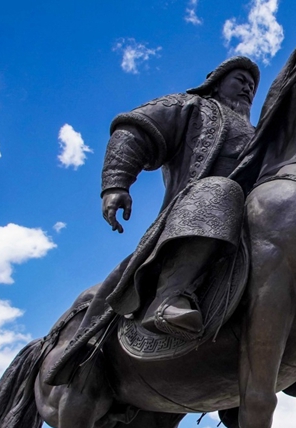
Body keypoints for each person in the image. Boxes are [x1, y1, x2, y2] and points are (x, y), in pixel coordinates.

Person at [46, 56, 259, 385]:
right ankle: (170, 295)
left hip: (246, 230)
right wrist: (116, 183)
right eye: (240, 78)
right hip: (196, 213)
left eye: (252, 84)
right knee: (221, 189)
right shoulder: (190, 107)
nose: (248, 86)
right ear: (216, 82)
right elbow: (135, 130)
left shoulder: (261, 134)